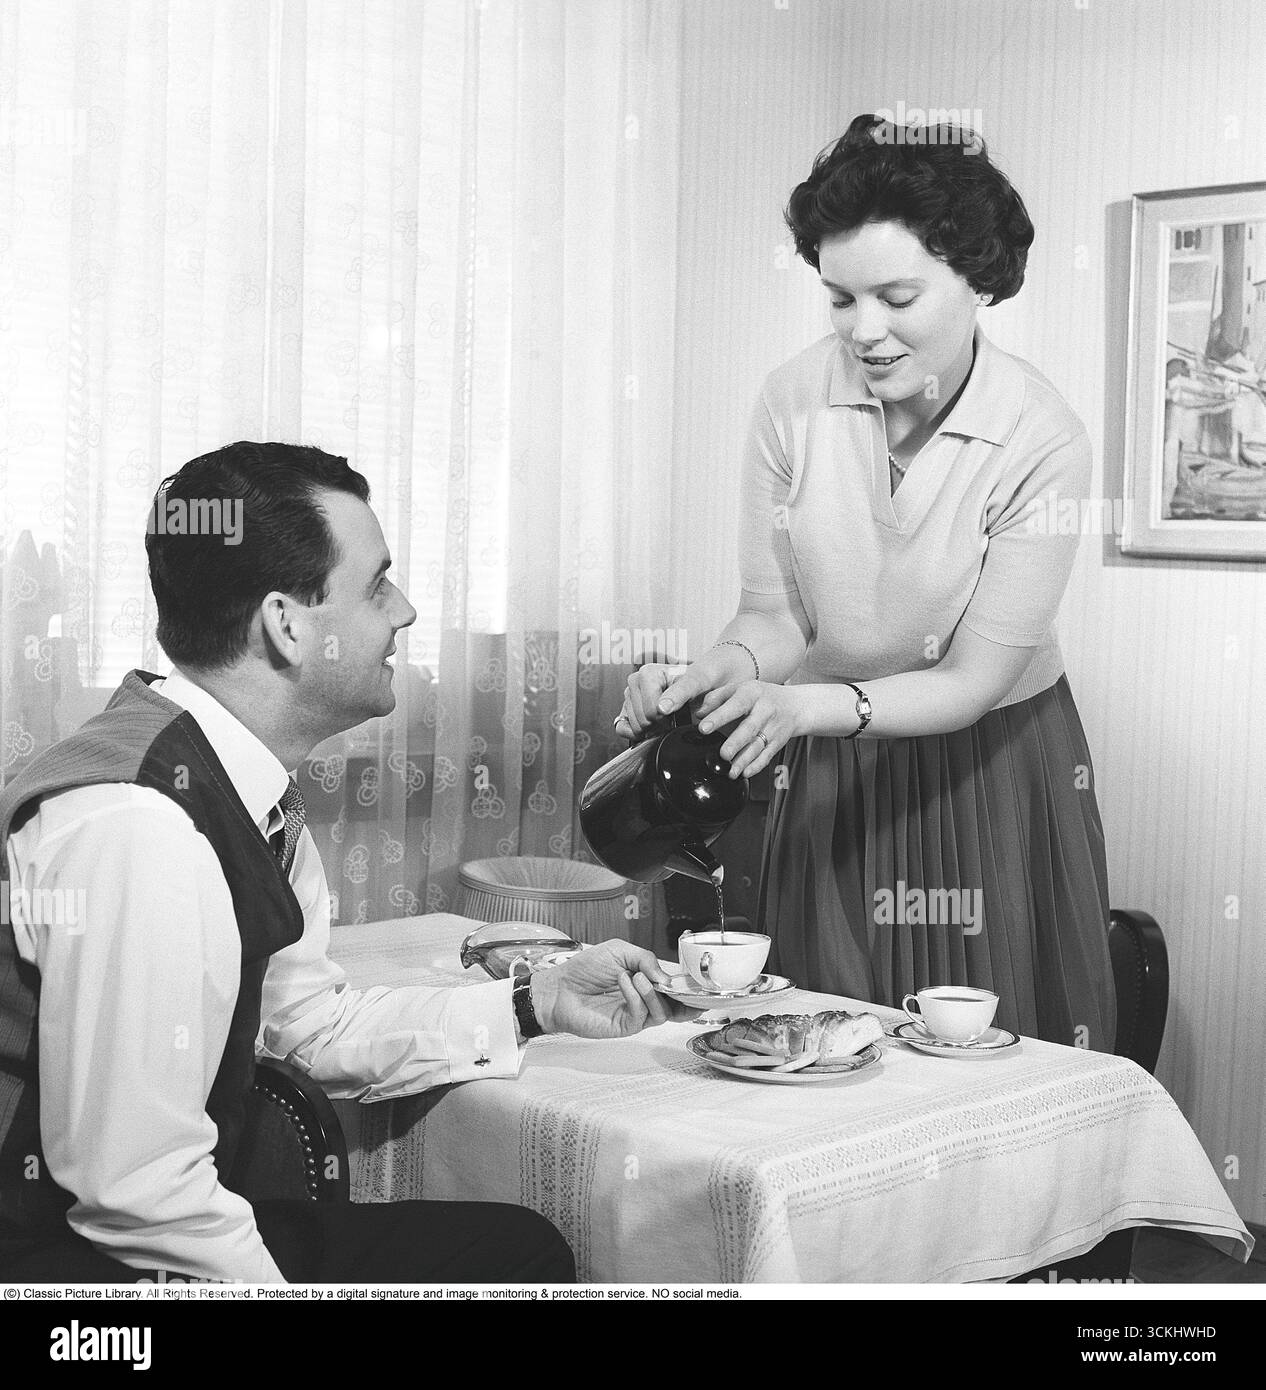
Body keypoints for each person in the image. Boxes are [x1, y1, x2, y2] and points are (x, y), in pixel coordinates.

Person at [0, 442, 693, 1284]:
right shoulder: (140, 826)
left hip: (153, 1221)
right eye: (376, 585)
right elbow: (133, 1191)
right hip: (64, 1260)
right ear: (287, 624)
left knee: (521, 1250)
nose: (402, 611)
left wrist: (535, 998)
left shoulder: (238, 784)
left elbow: (308, 1025)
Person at [618, 114, 1116, 1052]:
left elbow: (973, 681)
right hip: (835, 764)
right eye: (841, 299)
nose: (865, 332)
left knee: (970, 1051)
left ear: (977, 281)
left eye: (896, 296)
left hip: (988, 769)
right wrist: (717, 675)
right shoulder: (793, 401)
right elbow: (774, 614)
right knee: (818, 1040)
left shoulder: (1041, 436)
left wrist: (804, 711)